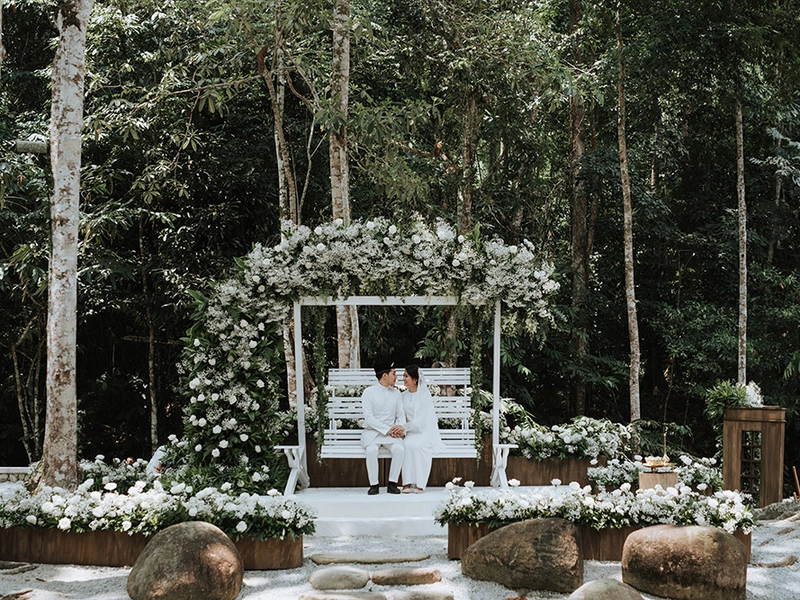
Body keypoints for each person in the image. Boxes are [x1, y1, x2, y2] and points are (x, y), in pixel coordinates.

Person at [361, 360, 406, 495]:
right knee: (372, 451)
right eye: (394, 373)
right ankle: (374, 484)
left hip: (392, 434)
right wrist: (387, 430)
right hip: (372, 433)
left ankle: (392, 483)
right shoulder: (368, 393)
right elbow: (369, 418)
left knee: (399, 449)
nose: (396, 377)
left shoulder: (397, 393)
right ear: (385, 375)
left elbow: (401, 415)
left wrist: (399, 428)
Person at [399, 364, 442, 493]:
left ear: (415, 379)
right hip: (408, 433)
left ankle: (420, 483)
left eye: (406, 376)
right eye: (403, 376)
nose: (404, 379)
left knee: (418, 447)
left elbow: (422, 421)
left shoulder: (424, 396)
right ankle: (406, 482)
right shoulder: (403, 396)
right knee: (405, 446)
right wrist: (401, 428)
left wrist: (405, 427)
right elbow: (401, 415)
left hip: (423, 432)